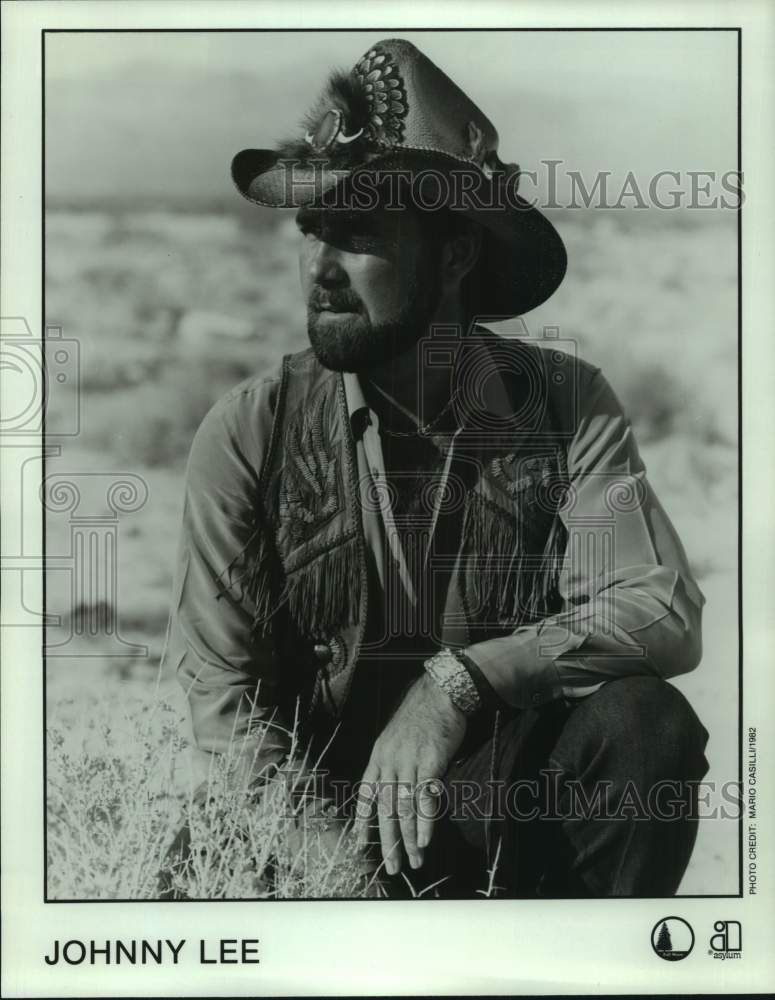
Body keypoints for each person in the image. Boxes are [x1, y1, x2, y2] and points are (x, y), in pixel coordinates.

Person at [159, 38, 708, 899]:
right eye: (315, 233)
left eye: (360, 235)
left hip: (497, 804)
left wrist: (459, 682)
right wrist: (348, 890)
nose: (321, 270)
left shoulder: (563, 402)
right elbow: (228, 713)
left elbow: (658, 608)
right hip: (311, 830)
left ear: (452, 257)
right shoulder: (247, 431)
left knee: (644, 728)